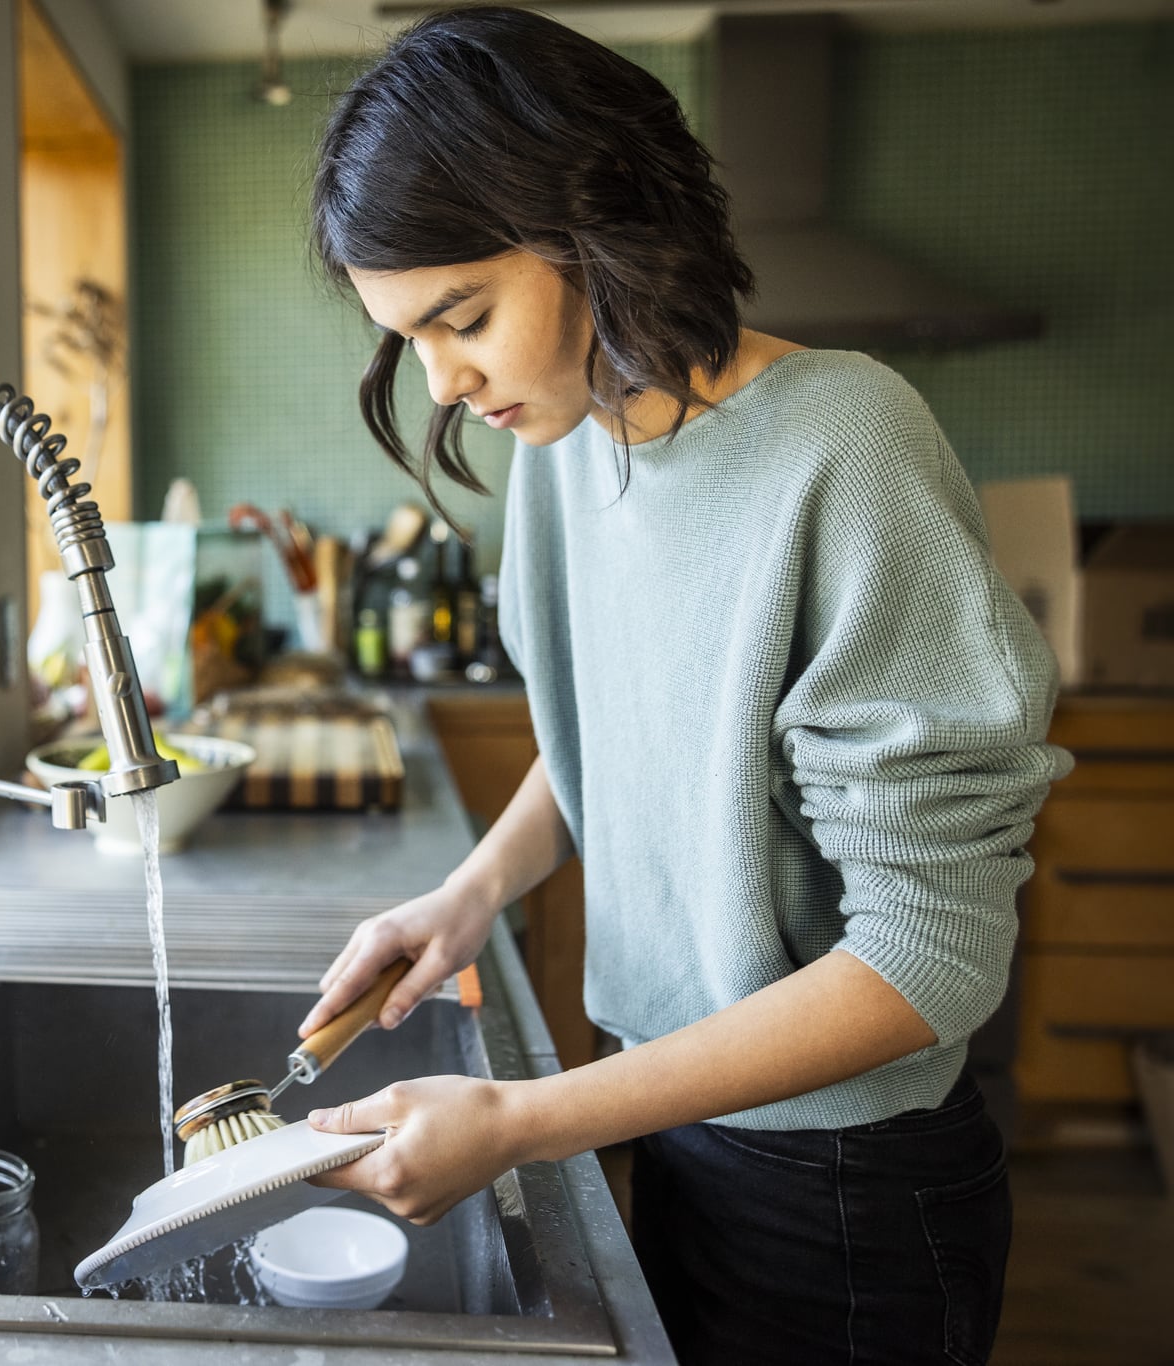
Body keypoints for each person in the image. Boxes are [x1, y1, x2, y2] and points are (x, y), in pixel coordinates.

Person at [294, 8, 1070, 1363]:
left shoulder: (845, 447)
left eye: (463, 317)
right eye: (407, 337)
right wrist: (469, 894)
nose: (445, 381)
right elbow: (628, 721)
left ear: (595, 219)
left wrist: (533, 1119)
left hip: (846, 1189)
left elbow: (930, 953)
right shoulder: (563, 444)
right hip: (671, 1123)